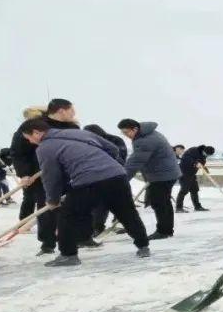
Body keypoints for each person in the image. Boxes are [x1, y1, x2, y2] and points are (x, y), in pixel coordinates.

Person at [20, 118, 150, 266]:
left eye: (28, 138)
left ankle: (68, 255)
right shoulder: (79, 133)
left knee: (67, 215)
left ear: (37, 133)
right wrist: (103, 164)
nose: (30, 141)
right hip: (117, 175)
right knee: (127, 212)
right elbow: (113, 149)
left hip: (89, 180)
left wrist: (53, 200)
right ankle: (143, 246)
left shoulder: (45, 148)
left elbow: (51, 177)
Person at [119, 119, 182, 240]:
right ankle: (167, 229)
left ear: (135, 129)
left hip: (163, 175)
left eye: (126, 132)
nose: (126, 135)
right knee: (164, 202)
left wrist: (121, 179)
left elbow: (134, 162)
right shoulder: (148, 134)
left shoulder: (146, 140)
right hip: (166, 173)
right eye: (123, 133)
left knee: (159, 202)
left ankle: (163, 231)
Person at [9, 107, 58, 254]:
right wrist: (24, 174)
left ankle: (77, 236)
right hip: (39, 174)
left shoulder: (55, 125)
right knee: (45, 205)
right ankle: (48, 243)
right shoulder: (23, 132)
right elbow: (18, 154)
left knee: (64, 204)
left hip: (60, 170)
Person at [175, 144, 214, 212]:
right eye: (206, 153)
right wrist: (195, 163)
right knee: (184, 190)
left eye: (208, 155)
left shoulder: (203, 156)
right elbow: (186, 158)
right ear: (204, 150)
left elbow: (201, 163)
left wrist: (204, 168)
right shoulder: (193, 150)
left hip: (192, 174)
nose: (206, 155)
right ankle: (179, 208)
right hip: (184, 172)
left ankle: (197, 207)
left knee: (194, 190)